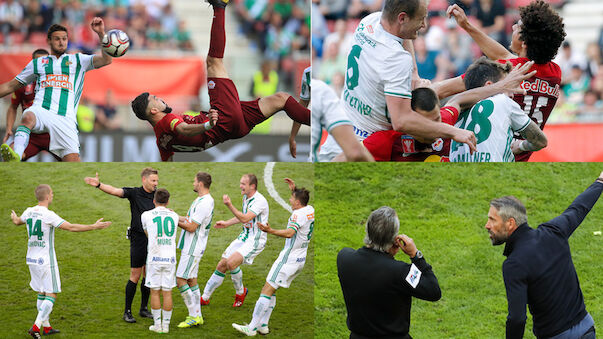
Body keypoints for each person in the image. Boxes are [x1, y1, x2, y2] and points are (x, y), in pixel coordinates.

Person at [130, 0, 310, 162]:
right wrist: (208, 124)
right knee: (213, 62)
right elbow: (184, 129)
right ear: (154, 110)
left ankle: (321, 120)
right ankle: (220, 5)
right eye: (155, 98)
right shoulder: (167, 120)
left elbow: (167, 163)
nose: (159, 98)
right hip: (222, 119)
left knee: (282, 99)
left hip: (236, 130)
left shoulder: (161, 142)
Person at [336, 0, 477, 159]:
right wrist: (454, 132)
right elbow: (401, 121)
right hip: (367, 142)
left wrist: (414, 74)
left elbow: (401, 35)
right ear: (402, 18)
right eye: (421, 18)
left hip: (343, 124)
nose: (424, 24)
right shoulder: (396, 59)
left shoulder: (370, 21)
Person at [444, 0, 566, 161]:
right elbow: (504, 56)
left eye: (518, 26)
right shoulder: (555, 73)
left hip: (489, 155)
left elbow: (444, 90)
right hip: (522, 157)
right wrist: (466, 25)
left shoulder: (504, 71)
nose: (513, 27)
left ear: (524, 41)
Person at [485, 172, 603, 338]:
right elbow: (578, 208)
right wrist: (600, 181)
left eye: (492, 220)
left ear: (510, 223)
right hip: (586, 328)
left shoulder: (514, 264)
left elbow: (517, 319)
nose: (487, 225)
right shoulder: (553, 231)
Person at [351, 60, 536, 161]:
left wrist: (501, 86)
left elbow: (458, 99)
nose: (438, 126)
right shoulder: (386, 141)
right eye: (429, 122)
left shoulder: (445, 122)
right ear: (411, 120)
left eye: (437, 118)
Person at [0, 18, 114, 162]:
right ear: (48, 41)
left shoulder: (78, 60)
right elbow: (10, 86)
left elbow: (107, 60)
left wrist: (101, 33)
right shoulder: (38, 63)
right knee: (28, 116)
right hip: (42, 110)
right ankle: (16, 154)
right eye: (57, 39)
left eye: (64, 39)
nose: (61, 42)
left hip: (65, 119)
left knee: (73, 166)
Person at [10, 184, 111, 338]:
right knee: (52, 294)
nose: (53, 194)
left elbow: (17, 222)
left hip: (31, 258)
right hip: (45, 260)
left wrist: (14, 217)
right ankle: (36, 327)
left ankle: (47, 327)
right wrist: (93, 227)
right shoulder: (48, 215)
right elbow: (70, 227)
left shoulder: (29, 211)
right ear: (48, 196)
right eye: (52, 193)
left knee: (41, 292)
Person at [337, 206, 441, 338]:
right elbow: (433, 290)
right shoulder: (400, 272)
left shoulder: (344, 258)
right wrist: (416, 255)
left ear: (368, 231)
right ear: (395, 241)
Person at [232, 178, 314, 336]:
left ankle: (251, 327)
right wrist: (294, 189)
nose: (290, 200)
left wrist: (270, 231)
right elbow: (301, 204)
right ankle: (263, 325)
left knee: (266, 290)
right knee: (273, 289)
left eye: (292, 198)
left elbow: (290, 233)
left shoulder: (297, 215)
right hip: (300, 260)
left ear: (297, 202)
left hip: (288, 259)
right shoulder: (310, 209)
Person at [84, 168, 158, 323]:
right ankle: (127, 312)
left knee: (148, 275)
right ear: (144, 180)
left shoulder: (157, 196)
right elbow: (115, 191)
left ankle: (144, 309)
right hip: (138, 240)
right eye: (153, 181)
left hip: (153, 241)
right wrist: (99, 185)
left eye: (157, 181)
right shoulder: (135, 193)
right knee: (135, 275)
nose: (156, 184)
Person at [449, 57, 547, 162]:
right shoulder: (503, 101)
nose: (512, 94)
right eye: (508, 86)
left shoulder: (454, 113)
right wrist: (521, 146)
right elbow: (541, 141)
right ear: (490, 86)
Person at [200, 173, 269, 307]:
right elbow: (243, 216)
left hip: (256, 239)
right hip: (245, 236)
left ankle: (240, 292)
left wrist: (229, 205)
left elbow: (245, 218)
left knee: (231, 264)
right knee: (222, 265)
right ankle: (204, 297)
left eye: (243, 184)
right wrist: (226, 223)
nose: (240, 186)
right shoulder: (246, 197)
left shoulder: (259, 201)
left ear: (252, 186)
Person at [1, 49, 61, 162]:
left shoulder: (57, 83)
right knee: (10, 158)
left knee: (73, 162)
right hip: (31, 135)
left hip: (53, 134)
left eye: (45, 61)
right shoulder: (23, 83)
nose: (42, 64)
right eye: (38, 61)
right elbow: (13, 107)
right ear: (32, 63)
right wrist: (9, 128)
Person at [175, 172, 214, 329]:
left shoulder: (204, 203)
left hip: (193, 247)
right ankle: (198, 316)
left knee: (180, 280)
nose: (193, 183)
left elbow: (191, 227)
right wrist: (173, 215)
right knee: (191, 280)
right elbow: (189, 219)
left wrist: (173, 221)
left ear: (200, 184)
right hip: (193, 246)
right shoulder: (201, 200)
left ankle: (194, 316)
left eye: (194, 181)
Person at [141, 188, 179, 334]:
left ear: (153, 200)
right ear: (168, 201)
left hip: (154, 258)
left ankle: (157, 326)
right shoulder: (174, 216)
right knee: (167, 292)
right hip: (170, 258)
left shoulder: (146, 215)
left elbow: (147, 233)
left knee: (155, 292)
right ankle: (166, 326)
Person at [313, 78, 375, 162]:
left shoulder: (320, 90)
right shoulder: (321, 90)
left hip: (329, 151)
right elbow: (355, 153)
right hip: (338, 150)